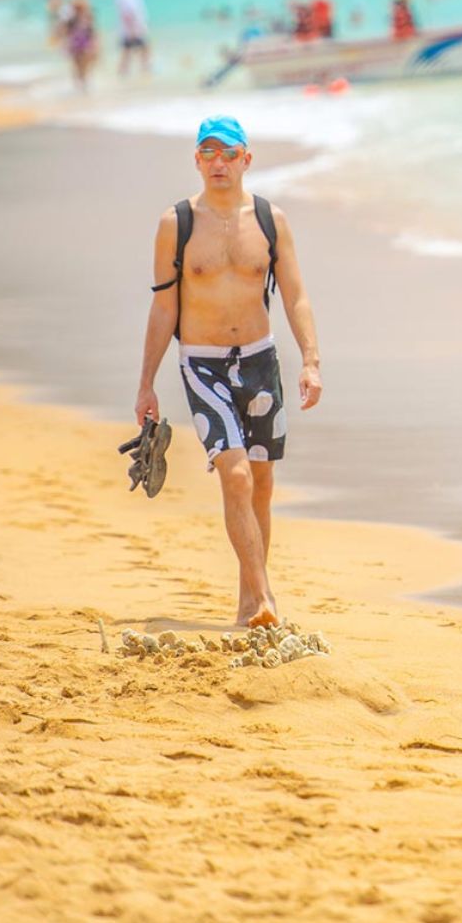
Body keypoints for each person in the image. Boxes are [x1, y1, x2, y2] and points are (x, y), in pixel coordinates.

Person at [134, 116, 322, 628]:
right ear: (196, 160)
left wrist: (311, 360)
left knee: (260, 483)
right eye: (208, 153)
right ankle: (264, 599)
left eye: (228, 153)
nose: (218, 162)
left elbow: (295, 294)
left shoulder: (269, 220)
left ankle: (248, 601)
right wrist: (146, 383)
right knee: (235, 476)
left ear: (246, 159)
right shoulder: (177, 223)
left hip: (261, 363)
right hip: (203, 365)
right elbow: (163, 308)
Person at [115, 0, 151, 79]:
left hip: (132, 29)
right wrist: (132, 31)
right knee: (141, 48)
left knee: (128, 51)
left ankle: (125, 71)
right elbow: (128, 14)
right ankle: (144, 68)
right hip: (133, 30)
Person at [65, 0, 97, 92]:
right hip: (76, 44)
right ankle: (80, 84)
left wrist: (95, 45)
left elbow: (92, 32)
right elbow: (67, 33)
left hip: (84, 44)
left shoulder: (88, 17)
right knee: (77, 65)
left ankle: (83, 83)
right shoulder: (71, 20)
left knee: (84, 65)